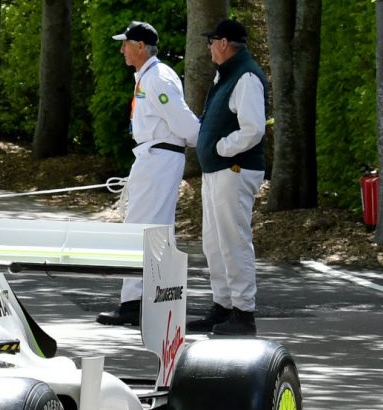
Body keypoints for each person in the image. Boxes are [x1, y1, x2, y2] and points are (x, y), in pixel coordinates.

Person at [96, 22, 200, 326]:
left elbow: (183, 121)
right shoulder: (150, 76)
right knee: (150, 227)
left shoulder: (157, 78)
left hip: (159, 157)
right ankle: (148, 298)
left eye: (125, 44)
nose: (122, 50)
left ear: (140, 46)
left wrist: (202, 139)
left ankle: (134, 301)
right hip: (154, 155)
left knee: (142, 228)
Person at [195, 18, 267, 335]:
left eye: (211, 41)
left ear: (224, 43)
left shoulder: (246, 76)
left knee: (233, 240)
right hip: (218, 170)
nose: (209, 47)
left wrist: (221, 147)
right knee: (214, 242)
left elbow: (253, 128)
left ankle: (243, 312)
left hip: (234, 169)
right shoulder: (227, 74)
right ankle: (223, 306)